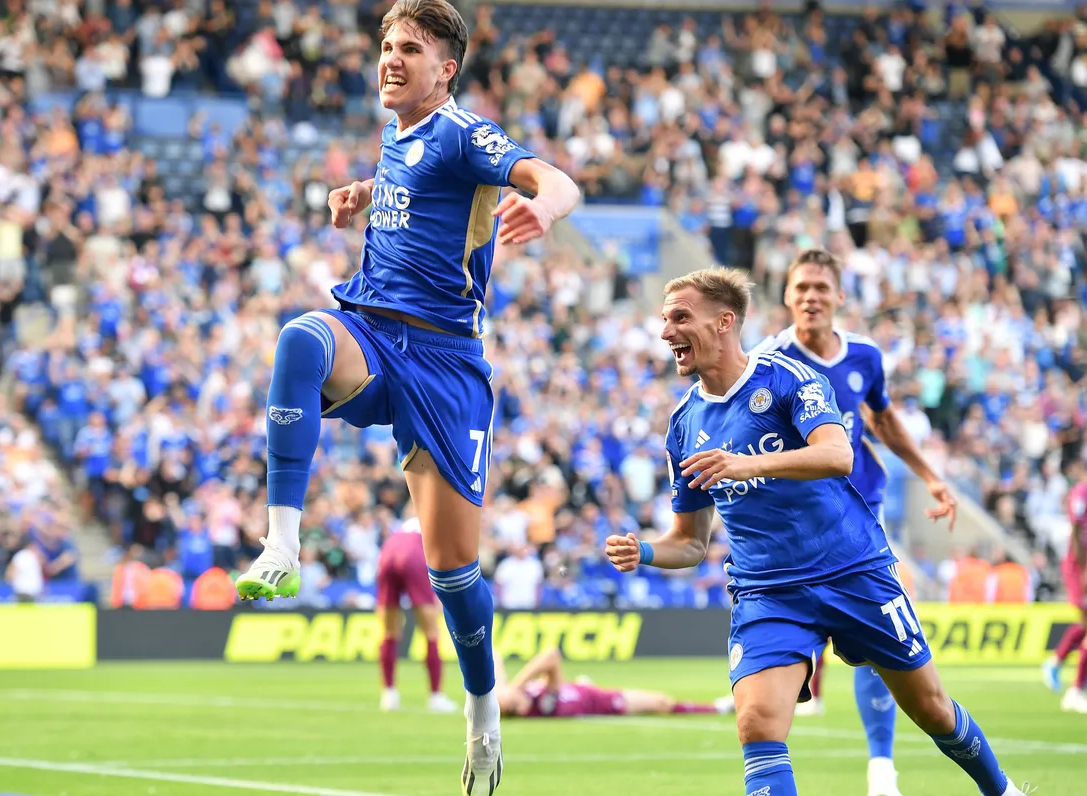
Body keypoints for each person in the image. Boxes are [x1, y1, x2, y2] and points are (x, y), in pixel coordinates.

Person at [233, 0, 580, 791]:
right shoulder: (399, 132)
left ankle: (483, 714)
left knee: (454, 572)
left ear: (444, 70)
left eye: (410, 49)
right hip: (374, 338)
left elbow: (550, 177)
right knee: (299, 339)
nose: (390, 59)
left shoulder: (463, 132)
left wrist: (543, 206)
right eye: (386, 45)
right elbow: (415, 193)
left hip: (446, 366)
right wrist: (362, 193)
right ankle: (281, 545)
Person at [605, 268, 1027, 796]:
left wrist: (746, 464)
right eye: (665, 320)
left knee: (932, 709)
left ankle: (1003, 791)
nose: (666, 333)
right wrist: (643, 550)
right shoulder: (684, 425)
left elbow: (838, 453)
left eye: (680, 318)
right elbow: (690, 542)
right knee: (757, 723)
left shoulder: (786, 379)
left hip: (852, 569)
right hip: (769, 591)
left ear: (724, 322)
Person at [753, 248, 958, 796]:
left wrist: (930, 475)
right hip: (801, 528)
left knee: (880, 628)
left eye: (821, 287)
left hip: (860, 515)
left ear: (840, 296)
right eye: (800, 288)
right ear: (786, 297)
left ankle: (881, 770)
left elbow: (883, 420)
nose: (810, 297)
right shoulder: (767, 362)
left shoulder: (864, 356)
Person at [494, 648, 731, 719]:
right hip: (601, 702)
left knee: (660, 701)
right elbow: (551, 656)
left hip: (584, 690)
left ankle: (718, 707)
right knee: (661, 702)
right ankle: (717, 708)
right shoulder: (545, 703)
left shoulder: (520, 694)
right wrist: (513, 687)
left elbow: (494, 656)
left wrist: (509, 687)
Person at [376, 517, 455, 714]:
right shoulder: (443, 522)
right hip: (414, 556)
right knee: (431, 632)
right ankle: (436, 696)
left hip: (387, 554)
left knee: (388, 632)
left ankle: (389, 694)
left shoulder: (406, 523)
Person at [1044, 463, 1087, 694]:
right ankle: (1058, 663)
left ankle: (1079, 673)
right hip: (1081, 563)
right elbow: (1076, 530)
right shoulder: (1083, 492)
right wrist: (1084, 569)